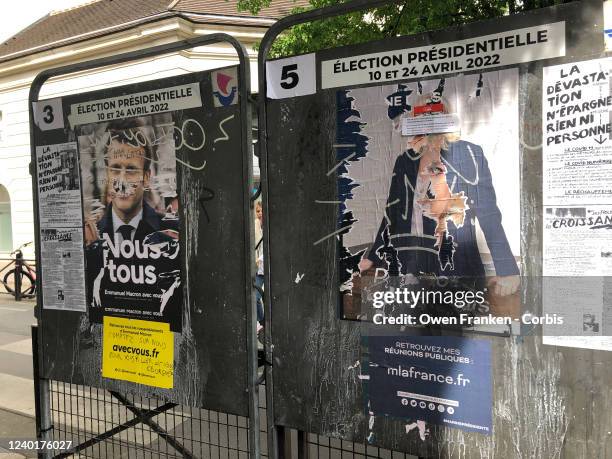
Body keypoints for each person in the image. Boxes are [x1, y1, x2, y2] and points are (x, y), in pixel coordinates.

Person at [358, 87, 519, 297]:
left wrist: (507, 268)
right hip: (410, 266)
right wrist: (374, 255)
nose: (428, 122)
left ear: (447, 118)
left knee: (453, 326)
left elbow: (488, 213)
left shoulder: (469, 154)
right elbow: (392, 212)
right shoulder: (405, 161)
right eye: (422, 116)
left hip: (455, 266)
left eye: (435, 115)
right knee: (414, 325)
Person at [84, 119, 178, 246]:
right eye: (115, 169)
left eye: (131, 170)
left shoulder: (172, 231)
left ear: (145, 178)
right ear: (107, 174)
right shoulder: (91, 237)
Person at [254, 201, 264, 331]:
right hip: (258, 268)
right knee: (255, 296)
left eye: (262, 211)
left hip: (269, 266)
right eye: (257, 211)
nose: (260, 213)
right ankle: (261, 321)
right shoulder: (255, 225)